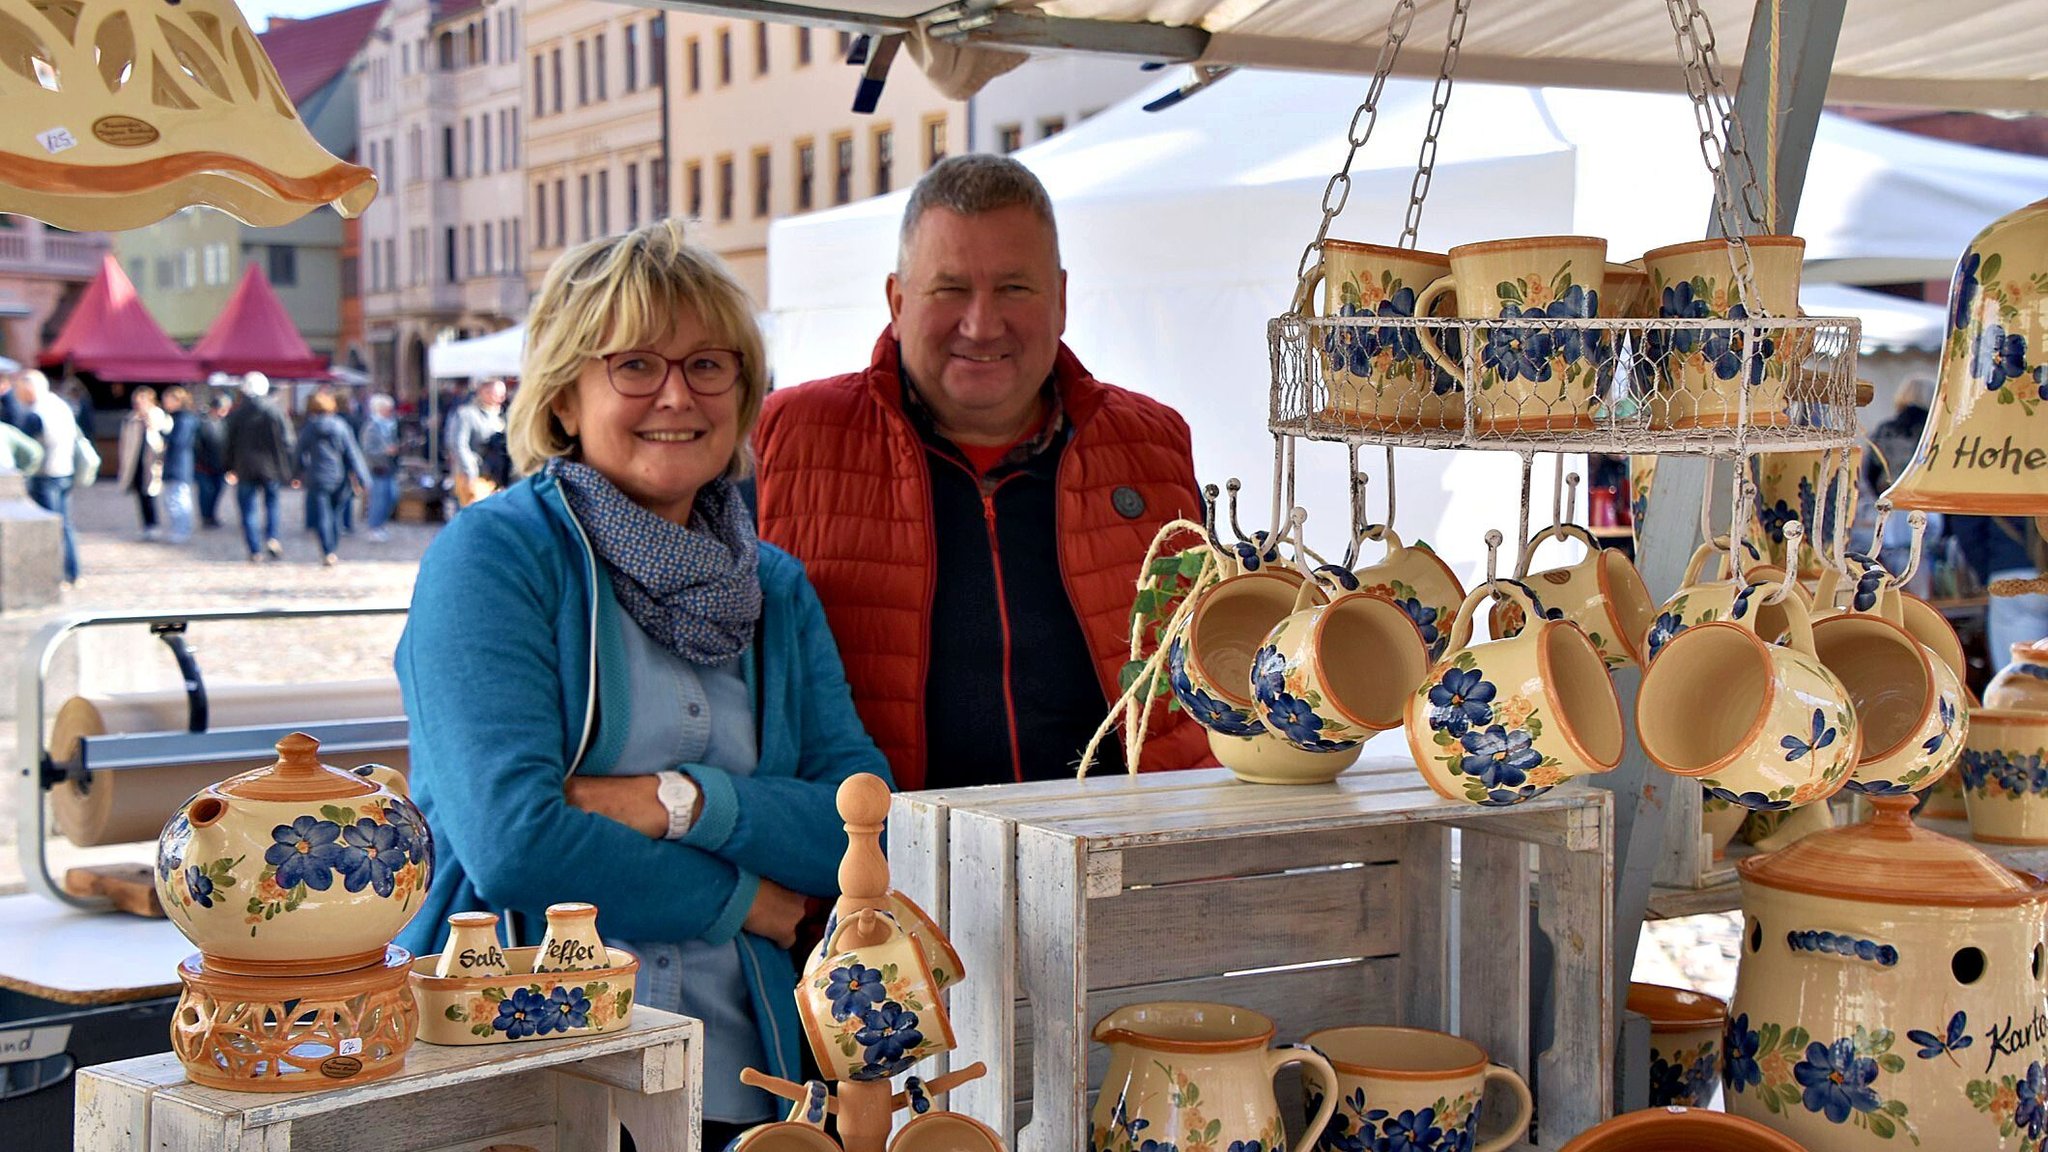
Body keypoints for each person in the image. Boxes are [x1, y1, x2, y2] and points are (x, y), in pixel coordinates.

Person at [395, 220, 891, 1147]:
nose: (677, 394)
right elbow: (513, 843)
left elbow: (858, 819)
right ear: (566, 397)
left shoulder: (775, 590)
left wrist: (677, 802)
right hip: (528, 1069)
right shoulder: (495, 556)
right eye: (634, 366)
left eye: (710, 365)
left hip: (748, 1080)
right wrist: (745, 899)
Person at [754, 153, 1209, 791]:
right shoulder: (787, 439)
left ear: (1061, 300)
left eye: (1014, 288)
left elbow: (1208, 672)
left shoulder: (1153, 444)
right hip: (885, 873)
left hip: (1120, 865)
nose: (981, 323)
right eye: (950, 289)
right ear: (897, 300)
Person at [223, 371, 296, 562]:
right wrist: (290, 466)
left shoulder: (237, 413)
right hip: (271, 467)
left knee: (248, 509)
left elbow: (228, 442)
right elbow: (288, 440)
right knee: (271, 504)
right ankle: (272, 537)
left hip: (244, 467)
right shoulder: (274, 411)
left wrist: (229, 466)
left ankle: (254, 549)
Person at [16, 371, 80, 583]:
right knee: (65, 524)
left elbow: (25, 446)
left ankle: (53, 575)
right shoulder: (59, 404)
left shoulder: (38, 412)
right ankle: (72, 572)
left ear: (30, 388)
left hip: (47, 474)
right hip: (65, 470)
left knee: (49, 527)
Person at [296, 390, 372, 566]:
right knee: (336, 514)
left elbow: (299, 451)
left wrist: (296, 472)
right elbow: (352, 453)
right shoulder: (340, 426)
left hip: (317, 476)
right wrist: (363, 477)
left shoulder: (310, 427)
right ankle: (333, 547)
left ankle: (327, 550)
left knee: (323, 515)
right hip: (339, 477)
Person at [115, 387, 170, 541]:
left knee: (150, 493)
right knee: (140, 493)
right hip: (135, 461)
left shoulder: (158, 416)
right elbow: (125, 442)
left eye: (142, 400)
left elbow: (162, 439)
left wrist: (150, 425)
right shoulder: (130, 418)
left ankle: (154, 524)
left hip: (152, 462)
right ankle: (146, 525)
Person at [445, 377, 507, 507]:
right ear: (482, 392)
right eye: (495, 394)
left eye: (502, 395)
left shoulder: (504, 416)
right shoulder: (467, 414)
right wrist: (470, 471)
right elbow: (458, 444)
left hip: (498, 476)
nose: (499, 398)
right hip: (475, 474)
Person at [159, 386, 199, 544]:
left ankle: (182, 529)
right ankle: (179, 528)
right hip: (175, 464)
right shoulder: (178, 418)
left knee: (178, 498)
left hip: (180, 464)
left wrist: (163, 433)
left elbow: (179, 441)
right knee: (172, 498)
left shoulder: (184, 419)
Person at [361, 393, 402, 541]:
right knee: (378, 498)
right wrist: (384, 451)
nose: (390, 411)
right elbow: (367, 450)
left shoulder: (391, 425)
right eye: (387, 408)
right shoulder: (372, 426)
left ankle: (381, 524)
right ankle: (374, 526)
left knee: (392, 496)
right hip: (378, 468)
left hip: (389, 467)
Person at [195, 391, 232, 528]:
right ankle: (206, 517)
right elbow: (197, 445)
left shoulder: (225, 423)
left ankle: (212, 515)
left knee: (217, 491)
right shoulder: (203, 423)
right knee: (206, 492)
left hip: (220, 465)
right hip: (204, 465)